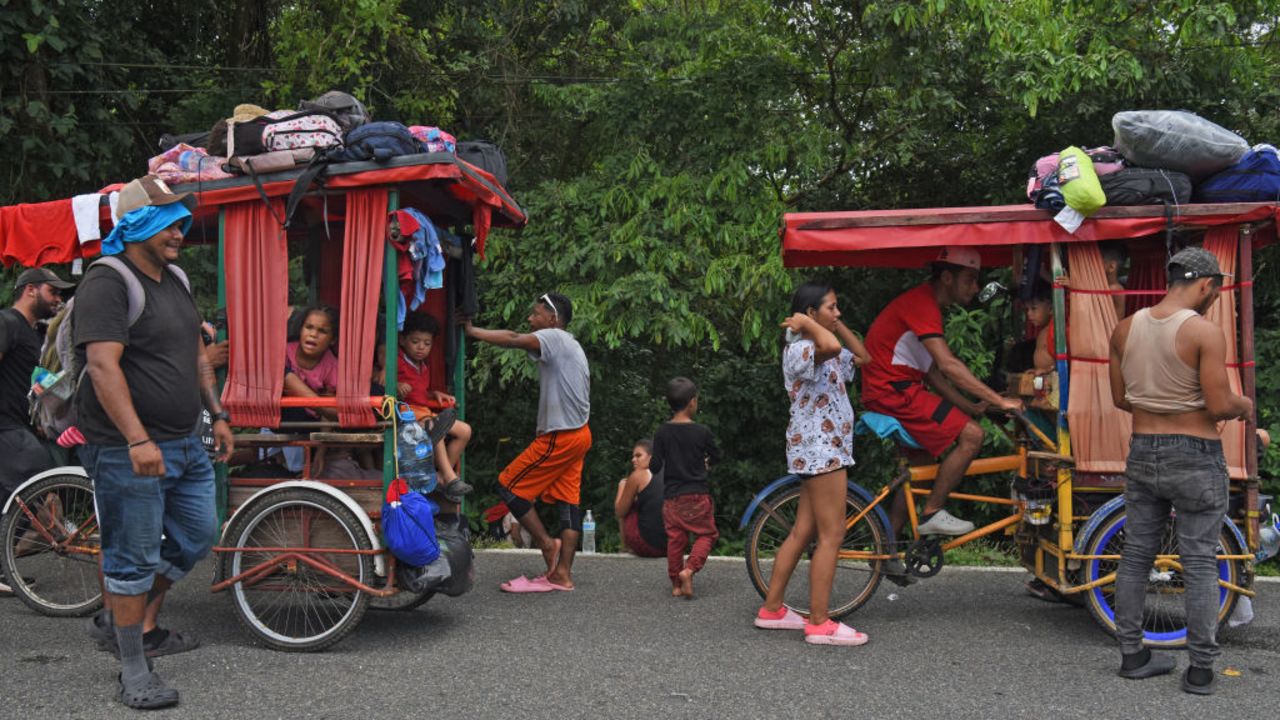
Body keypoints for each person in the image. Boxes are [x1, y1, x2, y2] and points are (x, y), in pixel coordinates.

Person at [73, 174, 234, 709]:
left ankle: (130, 621)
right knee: (132, 557)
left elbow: (193, 354)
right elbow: (101, 365)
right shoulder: (108, 280)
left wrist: (217, 412)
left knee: (196, 537)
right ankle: (133, 667)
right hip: (129, 449)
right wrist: (138, 439)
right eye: (168, 221)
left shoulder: (178, 280)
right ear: (138, 222)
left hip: (186, 440)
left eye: (180, 222)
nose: (179, 231)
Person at [1108, 246, 1251, 695]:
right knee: (1199, 561)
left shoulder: (1125, 328)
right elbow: (1218, 403)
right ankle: (1201, 671)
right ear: (1206, 284)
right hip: (1195, 454)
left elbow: (1120, 399)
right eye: (1216, 288)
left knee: (1136, 555)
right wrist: (1244, 406)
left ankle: (1133, 656)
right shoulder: (1204, 333)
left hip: (1143, 448)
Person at [861, 248, 1023, 550]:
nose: (975, 289)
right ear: (947, 277)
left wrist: (972, 406)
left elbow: (933, 373)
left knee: (922, 469)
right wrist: (1000, 402)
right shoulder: (922, 305)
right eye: (970, 280)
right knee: (973, 436)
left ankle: (887, 548)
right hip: (894, 390)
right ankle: (932, 511)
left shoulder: (926, 306)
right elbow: (948, 366)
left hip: (896, 388)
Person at [755, 282, 871, 646]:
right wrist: (809, 327)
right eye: (832, 308)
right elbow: (830, 345)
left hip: (824, 449)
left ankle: (772, 609)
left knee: (803, 530)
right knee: (832, 534)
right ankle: (819, 623)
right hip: (822, 450)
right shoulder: (802, 349)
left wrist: (829, 323)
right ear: (809, 313)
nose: (838, 314)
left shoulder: (824, 345)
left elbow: (862, 357)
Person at [463, 292, 590, 592]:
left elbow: (512, 338)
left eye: (536, 314)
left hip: (561, 436)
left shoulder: (555, 338)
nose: (531, 320)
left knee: (508, 485)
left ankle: (547, 545)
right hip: (580, 435)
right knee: (569, 504)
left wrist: (471, 331)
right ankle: (562, 575)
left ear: (553, 318)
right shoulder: (571, 344)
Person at [0, 267, 73, 595]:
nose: (58, 298)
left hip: (19, 423)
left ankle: (4, 570)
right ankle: (55, 535)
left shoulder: (33, 334)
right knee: (38, 481)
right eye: (52, 291)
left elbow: (29, 385)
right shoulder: (7, 322)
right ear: (30, 290)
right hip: (4, 425)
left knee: (10, 498)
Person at [652, 379, 722, 598]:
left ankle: (675, 584)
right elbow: (717, 456)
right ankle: (689, 570)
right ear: (692, 402)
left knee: (675, 539)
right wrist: (707, 463)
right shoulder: (702, 432)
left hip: (672, 497)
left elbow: (655, 467)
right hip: (697, 495)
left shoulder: (662, 431)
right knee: (707, 534)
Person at [397, 311, 473, 501]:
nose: (421, 347)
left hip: (424, 413)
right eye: (415, 342)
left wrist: (434, 394)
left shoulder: (423, 365)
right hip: (407, 416)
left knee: (465, 430)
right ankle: (450, 478)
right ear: (402, 340)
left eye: (427, 343)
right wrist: (395, 385)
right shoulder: (396, 361)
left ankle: (439, 475)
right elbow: (379, 381)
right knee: (435, 428)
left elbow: (420, 391)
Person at [613, 438, 665, 558]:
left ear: (651, 457)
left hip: (648, 547)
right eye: (633, 456)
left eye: (638, 456)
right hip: (674, 547)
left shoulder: (639, 474)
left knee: (627, 504)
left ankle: (625, 546)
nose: (633, 460)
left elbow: (620, 512)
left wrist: (622, 487)